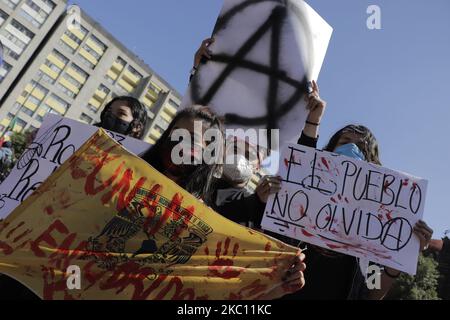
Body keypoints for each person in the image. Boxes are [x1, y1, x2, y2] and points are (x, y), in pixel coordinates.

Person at [280, 81, 434, 300]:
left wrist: (401, 257)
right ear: (329, 150)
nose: (351, 148)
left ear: (372, 163)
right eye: (345, 141)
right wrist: (314, 119)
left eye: (361, 148)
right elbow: (302, 168)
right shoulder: (305, 195)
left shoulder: (376, 225)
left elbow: (372, 293)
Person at [142, 106, 306, 297]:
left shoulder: (202, 204)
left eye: (250, 154)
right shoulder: (128, 172)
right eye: (180, 134)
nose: (183, 144)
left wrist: (279, 283)